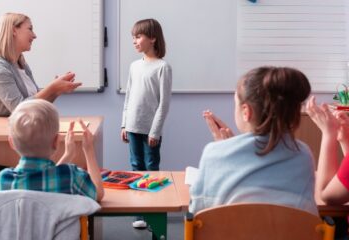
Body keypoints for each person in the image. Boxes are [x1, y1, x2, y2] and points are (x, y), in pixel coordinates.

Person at [189, 66, 318, 216]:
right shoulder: (303, 156)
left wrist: (224, 149)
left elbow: (197, 214)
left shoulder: (213, 153)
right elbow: (307, 216)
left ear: (246, 111)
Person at [0, 99, 104, 202]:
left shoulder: (4, 179)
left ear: (11, 143)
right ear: (56, 141)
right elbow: (97, 194)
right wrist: (89, 150)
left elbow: (48, 176)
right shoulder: (71, 176)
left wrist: (68, 155)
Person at [120, 18, 172, 229]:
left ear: (152, 38)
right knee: (135, 169)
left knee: (151, 170)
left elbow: (164, 104)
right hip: (132, 126)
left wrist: (155, 131)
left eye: (138, 36)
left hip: (150, 130)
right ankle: (138, 215)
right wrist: (124, 124)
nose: (134, 40)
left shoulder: (162, 67)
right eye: (133, 37)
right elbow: (129, 96)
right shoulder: (134, 66)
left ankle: (153, 214)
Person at [0, 13, 81, 116]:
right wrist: (52, 88)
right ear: (14, 30)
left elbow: (37, 105)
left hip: (23, 128)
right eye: (30, 29)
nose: (34, 36)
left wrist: (56, 91)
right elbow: (19, 110)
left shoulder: (21, 63)